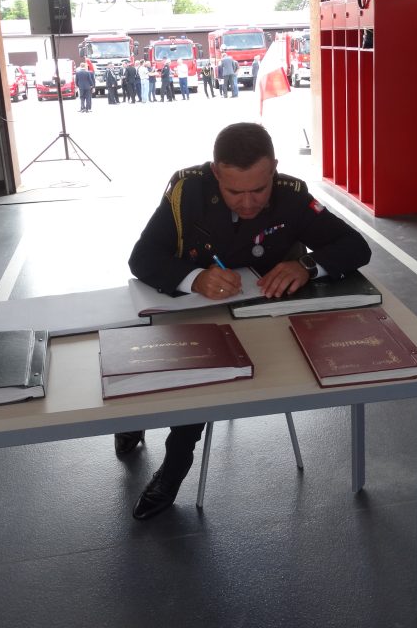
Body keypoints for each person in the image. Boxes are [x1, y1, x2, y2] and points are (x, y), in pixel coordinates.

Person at [119, 122, 372, 520]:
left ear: (274, 169)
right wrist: (193, 278)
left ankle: (173, 466)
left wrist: (307, 265)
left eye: (259, 189)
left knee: (208, 380)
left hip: (261, 318)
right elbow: (143, 258)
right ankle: (138, 425)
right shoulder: (188, 192)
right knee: (188, 370)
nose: (249, 203)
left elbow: (356, 246)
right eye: (234, 192)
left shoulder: (291, 195)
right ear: (215, 173)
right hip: (193, 313)